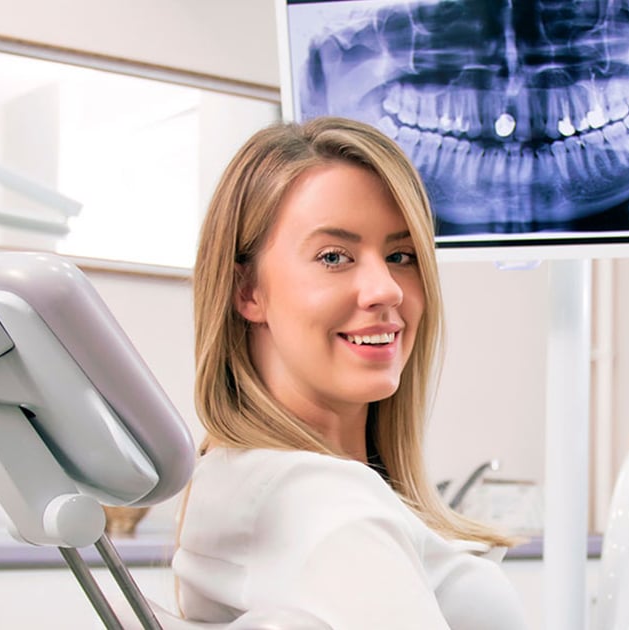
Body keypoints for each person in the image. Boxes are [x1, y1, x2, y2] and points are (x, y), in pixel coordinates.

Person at [173, 116, 528, 629]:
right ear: (247, 290)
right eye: (334, 256)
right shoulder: (321, 501)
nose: (386, 289)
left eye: (400, 255)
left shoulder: (237, 477)